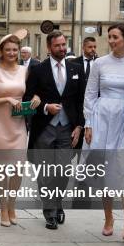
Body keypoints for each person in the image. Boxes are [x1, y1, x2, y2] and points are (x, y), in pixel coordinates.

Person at [83, 24, 124, 242]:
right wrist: (88, 124)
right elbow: (90, 94)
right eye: (109, 37)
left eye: (115, 37)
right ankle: (108, 217)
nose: (111, 40)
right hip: (102, 118)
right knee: (104, 170)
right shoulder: (99, 63)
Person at [24, 30, 85, 230]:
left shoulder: (76, 69)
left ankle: (57, 203)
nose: (61, 48)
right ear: (49, 48)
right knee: (45, 173)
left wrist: (79, 126)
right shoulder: (38, 70)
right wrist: (44, 108)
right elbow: (27, 99)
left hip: (68, 128)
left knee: (64, 171)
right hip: (45, 128)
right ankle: (50, 211)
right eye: (57, 45)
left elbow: (81, 100)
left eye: (63, 44)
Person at [0, 31, 40, 226]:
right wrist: (6, 99)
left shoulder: (25, 70)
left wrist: (35, 99)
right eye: (8, 49)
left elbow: (31, 93)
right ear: (2, 51)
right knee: (1, 169)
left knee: (17, 168)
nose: (12, 53)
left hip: (17, 123)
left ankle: (12, 204)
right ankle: (2, 207)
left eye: (15, 49)